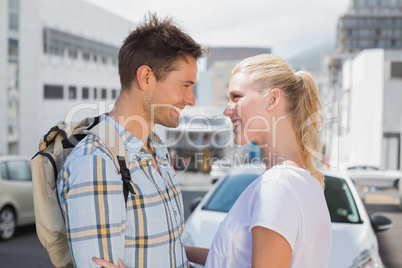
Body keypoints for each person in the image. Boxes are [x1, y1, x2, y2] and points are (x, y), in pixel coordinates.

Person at [58, 13, 206, 267]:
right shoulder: (97, 163)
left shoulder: (157, 149)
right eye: (185, 85)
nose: (191, 99)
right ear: (146, 77)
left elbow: (168, 252)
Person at [185, 54, 332, 268]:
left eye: (236, 97)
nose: (227, 110)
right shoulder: (307, 182)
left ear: (273, 99)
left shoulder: (277, 185)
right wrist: (176, 254)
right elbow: (236, 260)